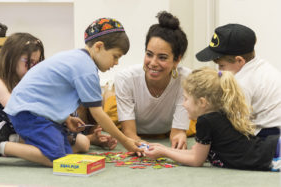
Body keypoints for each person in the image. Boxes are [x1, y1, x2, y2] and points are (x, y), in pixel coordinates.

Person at [0, 17, 141, 167]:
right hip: (29, 112)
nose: (116, 63)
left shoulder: (77, 58)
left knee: (67, 149)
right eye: (115, 56)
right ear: (98, 47)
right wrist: (125, 140)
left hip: (34, 111)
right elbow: (98, 113)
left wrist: (67, 118)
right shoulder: (86, 68)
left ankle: (11, 140)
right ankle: (1, 146)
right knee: (57, 158)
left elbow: (48, 94)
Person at [145, 68, 280, 171]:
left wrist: (164, 152)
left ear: (202, 102)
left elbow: (196, 160)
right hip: (272, 148)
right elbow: (196, 152)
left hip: (272, 156)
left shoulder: (206, 121)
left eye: (186, 99)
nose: (183, 104)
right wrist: (162, 148)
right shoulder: (215, 117)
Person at [114, 11, 193, 151]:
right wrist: (145, 147)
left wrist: (178, 140)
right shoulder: (125, 78)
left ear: (177, 60)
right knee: (109, 110)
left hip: (164, 131)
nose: (153, 63)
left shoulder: (187, 80)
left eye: (162, 57)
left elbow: (177, 132)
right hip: (129, 122)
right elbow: (129, 133)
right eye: (149, 54)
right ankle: (109, 91)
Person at [195, 23, 281, 138]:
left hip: (269, 136)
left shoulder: (242, 83)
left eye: (221, 65)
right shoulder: (260, 65)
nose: (219, 70)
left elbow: (236, 123)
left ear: (239, 61)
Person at [0, 32, 45, 143]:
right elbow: (17, 110)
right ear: (11, 59)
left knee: (79, 142)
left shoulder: (24, 79)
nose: (32, 68)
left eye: (36, 64)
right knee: (53, 143)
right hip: (7, 134)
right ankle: (0, 147)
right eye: (29, 62)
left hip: (25, 130)